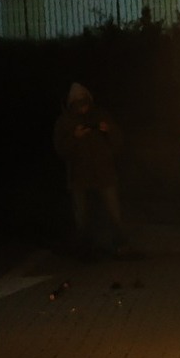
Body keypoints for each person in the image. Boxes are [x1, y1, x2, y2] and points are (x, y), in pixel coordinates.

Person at [54, 82, 127, 257]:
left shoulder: (101, 115)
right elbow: (60, 149)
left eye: (84, 101)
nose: (82, 106)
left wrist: (108, 130)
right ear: (72, 103)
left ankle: (120, 246)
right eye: (77, 102)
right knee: (82, 216)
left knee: (114, 213)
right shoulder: (65, 121)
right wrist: (75, 137)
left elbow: (118, 142)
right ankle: (85, 249)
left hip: (104, 172)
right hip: (79, 175)